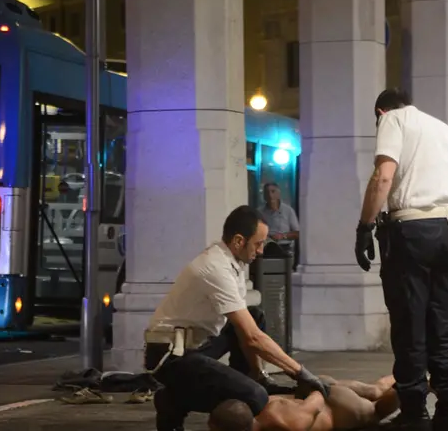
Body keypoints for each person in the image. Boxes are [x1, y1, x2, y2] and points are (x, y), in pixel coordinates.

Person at [144, 205, 331, 431]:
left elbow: (246, 329)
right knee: (256, 397)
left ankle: (252, 380)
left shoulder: (234, 264)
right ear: (238, 241)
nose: (261, 251)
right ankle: (174, 399)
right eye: (258, 244)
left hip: (196, 344)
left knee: (254, 315)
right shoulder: (215, 268)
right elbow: (253, 337)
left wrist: (260, 374)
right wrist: (300, 372)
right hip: (170, 355)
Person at [354, 88, 448, 431]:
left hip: (411, 231)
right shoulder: (445, 130)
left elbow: (383, 177)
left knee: (409, 324)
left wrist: (364, 227)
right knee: (443, 326)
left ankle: (415, 412)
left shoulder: (393, 120)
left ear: (380, 111)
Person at [208, 374, 403, 431]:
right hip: (323, 391)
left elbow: (316, 403)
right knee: (376, 389)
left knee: (377, 410)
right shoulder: (262, 411)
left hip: (337, 408)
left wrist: (315, 386)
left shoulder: (286, 423)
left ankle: (421, 382)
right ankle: (415, 371)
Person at [258, 182, 300, 247]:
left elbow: (297, 233)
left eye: (273, 191)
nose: (270, 195)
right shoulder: (259, 212)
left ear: (278, 194)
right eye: (267, 192)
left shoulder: (288, 211)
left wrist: (282, 236)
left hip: (285, 248)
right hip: (265, 248)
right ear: (264, 196)